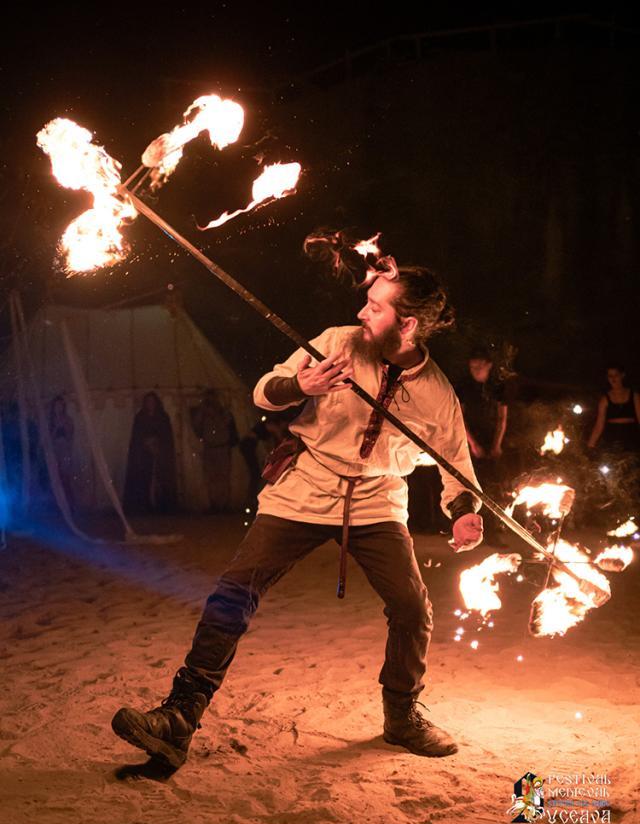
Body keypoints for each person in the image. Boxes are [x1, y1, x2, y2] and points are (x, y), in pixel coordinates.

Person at [111, 266, 484, 770]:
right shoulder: (338, 341)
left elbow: (455, 463)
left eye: (375, 306)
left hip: (376, 500)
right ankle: (180, 716)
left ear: (409, 324)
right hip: (306, 485)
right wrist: (300, 384)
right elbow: (264, 391)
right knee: (233, 591)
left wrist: (463, 513)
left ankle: (401, 716)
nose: (361, 312)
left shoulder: (436, 392)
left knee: (413, 607)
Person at [456, 348, 508, 545]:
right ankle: (470, 531)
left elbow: (502, 417)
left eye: (479, 366)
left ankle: (493, 531)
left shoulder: (496, 387)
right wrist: (473, 444)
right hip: (472, 442)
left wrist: (497, 444)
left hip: (492, 441)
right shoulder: (464, 387)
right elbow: (460, 418)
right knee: (474, 488)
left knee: (494, 488)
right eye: (472, 366)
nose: (475, 370)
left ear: (489, 366)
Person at [123, 392, 177, 513]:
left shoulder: (163, 417)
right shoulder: (140, 417)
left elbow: (167, 436)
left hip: (160, 455)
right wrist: (146, 443)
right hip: (143, 456)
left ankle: (161, 506)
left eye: (152, 401)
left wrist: (157, 444)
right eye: (148, 401)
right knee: (144, 479)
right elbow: (136, 436)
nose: (150, 404)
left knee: (160, 480)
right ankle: (144, 506)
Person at [190, 389, 238, 512]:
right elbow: (196, 426)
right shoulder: (203, 414)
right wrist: (203, 410)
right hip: (209, 448)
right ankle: (214, 505)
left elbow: (227, 423)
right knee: (210, 478)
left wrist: (217, 413)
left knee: (223, 477)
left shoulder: (224, 413)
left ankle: (224, 505)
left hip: (222, 448)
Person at [587, 364, 640, 454]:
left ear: (622, 375)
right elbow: (599, 424)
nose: (613, 379)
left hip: (631, 435)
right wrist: (590, 445)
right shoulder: (605, 399)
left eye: (616, 375)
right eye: (610, 376)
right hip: (613, 436)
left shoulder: (634, 396)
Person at [48, 394, 75, 510]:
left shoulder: (68, 419)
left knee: (65, 477)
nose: (58, 408)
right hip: (54, 450)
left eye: (60, 405)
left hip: (64, 450)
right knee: (55, 477)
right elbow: (48, 438)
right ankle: (57, 505)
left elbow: (70, 437)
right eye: (56, 405)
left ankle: (70, 505)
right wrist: (56, 427)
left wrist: (63, 425)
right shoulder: (50, 420)